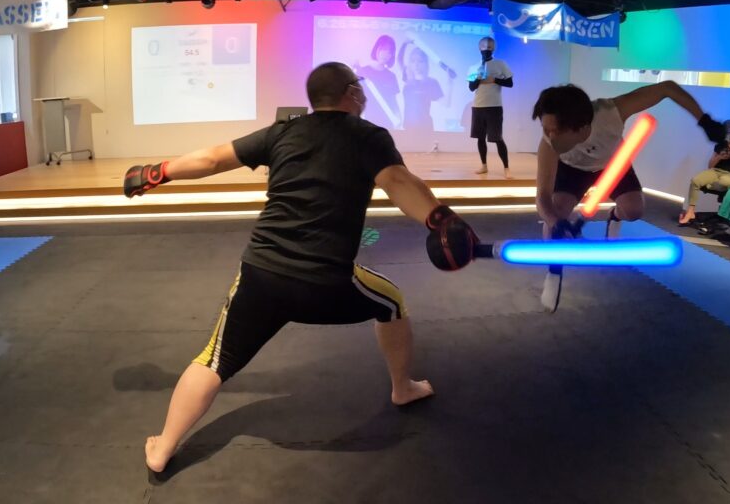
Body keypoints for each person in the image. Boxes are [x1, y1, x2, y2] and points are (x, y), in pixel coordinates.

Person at [125, 62, 480, 474]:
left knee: (214, 360)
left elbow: (211, 158)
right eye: (361, 88)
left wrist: (157, 173)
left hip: (262, 276)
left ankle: (163, 447)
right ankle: (403, 388)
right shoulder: (368, 136)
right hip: (327, 284)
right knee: (392, 303)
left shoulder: (283, 132)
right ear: (352, 92)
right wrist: (439, 220)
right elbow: (398, 182)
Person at [533, 82, 725, 311]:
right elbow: (542, 197)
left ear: (581, 127)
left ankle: (614, 215)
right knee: (553, 223)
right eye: (545, 129)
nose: (549, 136)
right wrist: (555, 222)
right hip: (572, 169)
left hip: (613, 163)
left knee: (634, 210)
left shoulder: (611, 112)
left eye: (555, 131)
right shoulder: (548, 146)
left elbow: (667, 88)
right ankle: (553, 273)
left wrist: (704, 120)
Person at [678, 119, 730, 225]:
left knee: (723, 182)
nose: (729, 136)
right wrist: (719, 157)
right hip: (716, 171)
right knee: (696, 180)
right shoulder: (720, 145)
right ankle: (690, 212)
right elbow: (710, 166)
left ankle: (711, 189)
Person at [468, 37, 513, 178]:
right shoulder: (474, 67)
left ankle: (506, 168)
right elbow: (471, 87)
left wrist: (494, 79)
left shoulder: (500, 64)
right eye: (483, 48)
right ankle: (484, 165)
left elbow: (510, 83)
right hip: (478, 106)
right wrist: (478, 78)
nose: (486, 51)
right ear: (479, 49)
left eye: (489, 48)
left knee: (497, 138)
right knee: (480, 138)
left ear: (493, 49)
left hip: (494, 106)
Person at [354, 35, 400, 131]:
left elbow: (394, 101)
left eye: (389, 52)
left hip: (388, 125)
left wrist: (398, 119)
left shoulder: (391, 76)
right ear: (377, 48)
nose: (386, 54)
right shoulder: (363, 71)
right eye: (383, 49)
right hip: (367, 123)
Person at [398, 42, 444, 133]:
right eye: (413, 61)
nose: (416, 64)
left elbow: (445, 103)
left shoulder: (431, 82)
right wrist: (405, 44)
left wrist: (450, 84)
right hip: (409, 126)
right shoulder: (408, 78)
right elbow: (399, 60)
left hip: (426, 126)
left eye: (420, 61)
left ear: (425, 63)